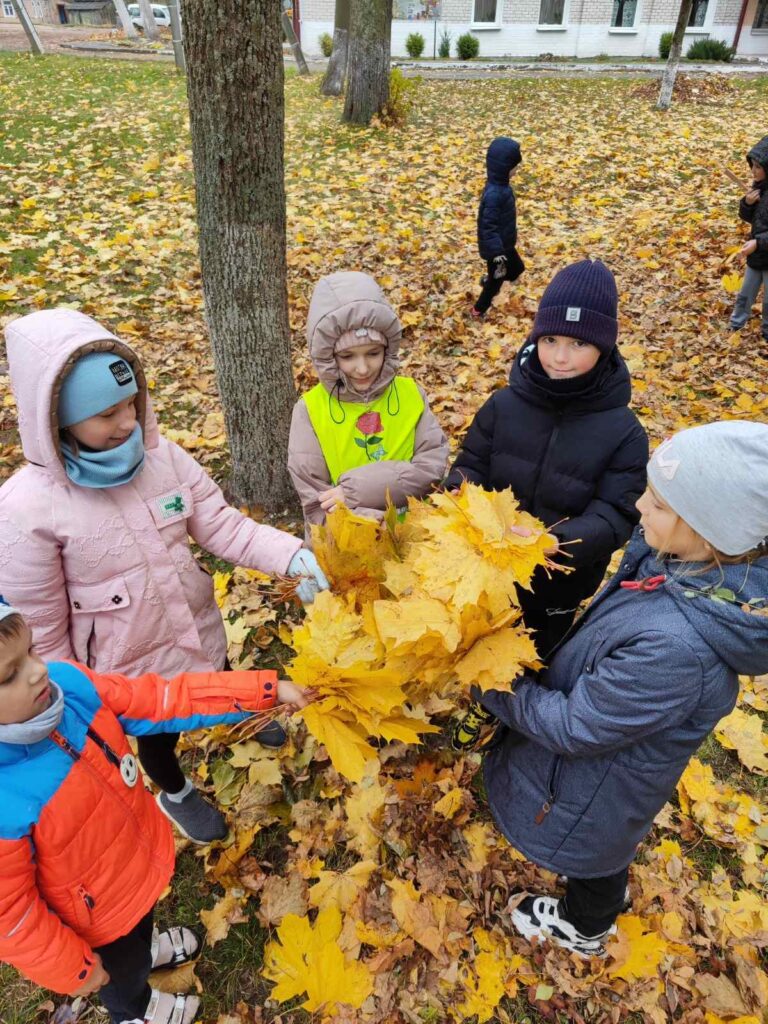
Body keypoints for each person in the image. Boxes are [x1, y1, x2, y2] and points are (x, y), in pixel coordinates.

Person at [0, 309, 328, 845]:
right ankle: (175, 791)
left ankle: (236, 710)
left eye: (131, 404)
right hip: (129, 669)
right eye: (106, 414)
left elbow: (222, 526)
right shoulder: (26, 513)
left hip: (194, 628)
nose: (127, 421)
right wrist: (70, 699)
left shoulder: (163, 460)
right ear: (56, 420)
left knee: (217, 669)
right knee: (160, 737)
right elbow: (40, 632)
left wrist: (292, 556)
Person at [478, 421, 768, 957]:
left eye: (657, 504)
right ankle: (597, 895)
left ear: (708, 529)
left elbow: (574, 725)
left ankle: (585, 927)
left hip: (597, 786)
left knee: (596, 852)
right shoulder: (682, 563)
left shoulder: (677, 649)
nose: (639, 507)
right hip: (608, 772)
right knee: (603, 845)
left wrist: (494, 684)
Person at [0, 601, 308, 1024]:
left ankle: (146, 950)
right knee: (121, 977)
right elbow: (10, 914)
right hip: (96, 923)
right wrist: (73, 969)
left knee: (140, 930)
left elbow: (163, 699)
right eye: (8, 675)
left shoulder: (72, 688)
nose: (37, 671)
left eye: (31, 651)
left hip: (134, 868)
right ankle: (136, 1011)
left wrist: (261, 691)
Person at [449, 259, 648, 673]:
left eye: (579, 344)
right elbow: (471, 465)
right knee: (482, 639)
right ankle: (482, 692)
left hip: (560, 578)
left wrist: (557, 542)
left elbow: (616, 515)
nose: (559, 357)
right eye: (550, 339)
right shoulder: (503, 405)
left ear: (604, 347)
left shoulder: (624, 432)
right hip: (491, 563)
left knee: (536, 653)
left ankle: (516, 709)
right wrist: (457, 492)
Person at [287, 271, 449, 530]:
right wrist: (362, 521)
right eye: (348, 356)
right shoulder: (310, 410)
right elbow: (316, 499)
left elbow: (431, 468)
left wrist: (355, 491)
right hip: (344, 543)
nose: (362, 368)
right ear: (329, 356)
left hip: (414, 535)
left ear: (388, 349)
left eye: (373, 353)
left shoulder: (410, 394)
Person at [471, 136, 525, 318]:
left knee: (517, 269)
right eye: (515, 166)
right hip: (497, 250)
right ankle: (478, 310)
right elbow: (487, 226)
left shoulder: (501, 186)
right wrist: (496, 254)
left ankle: (489, 280)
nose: (517, 170)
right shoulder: (495, 194)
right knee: (496, 281)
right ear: (505, 168)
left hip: (505, 244)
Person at [729, 135, 768, 347]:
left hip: (761, 249)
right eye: (752, 166)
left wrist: (758, 243)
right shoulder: (759, 186)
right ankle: (736, 323)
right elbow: (749, 217)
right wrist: (747, 203)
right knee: (745, 293)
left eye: (758, 167)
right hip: (757, 254)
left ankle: (767, 333)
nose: (753, 171)